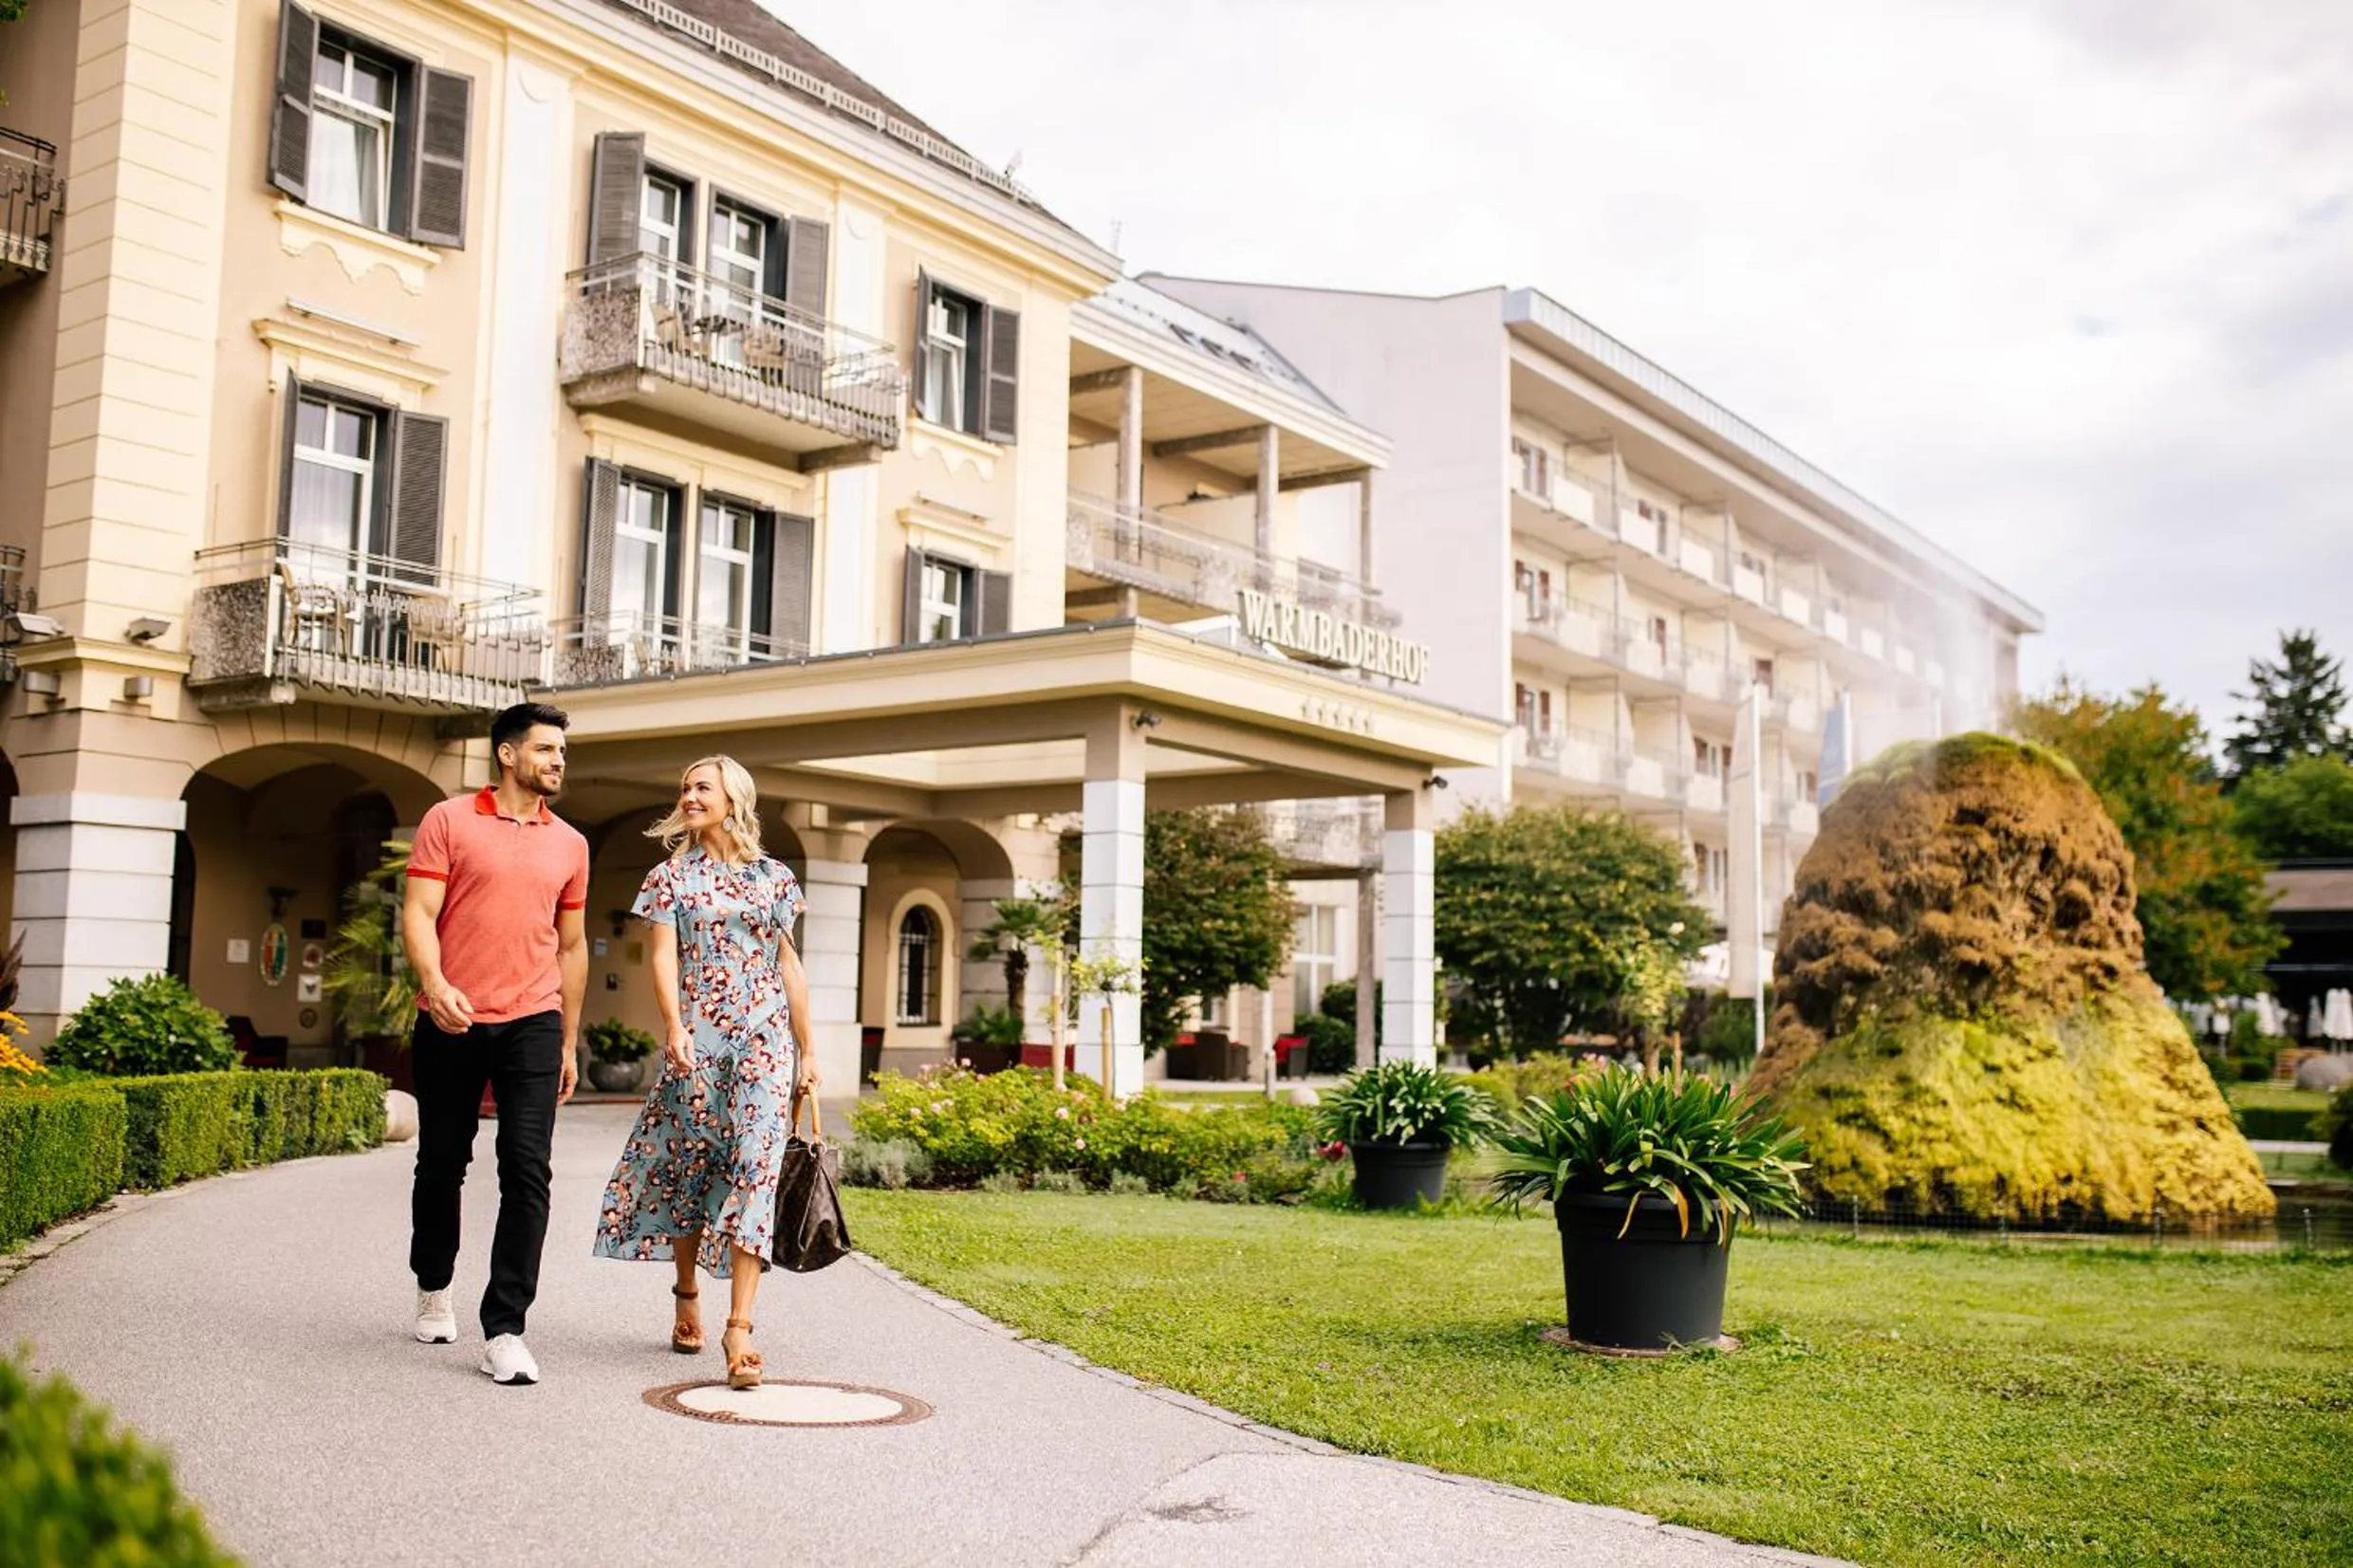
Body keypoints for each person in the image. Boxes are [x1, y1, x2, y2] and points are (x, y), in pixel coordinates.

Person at [594, 756, 818, 1390]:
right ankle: (687, 1290)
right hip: (702, 1041)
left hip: (766, 1043)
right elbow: (662, 959)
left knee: (754, 1169)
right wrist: (674, 1026)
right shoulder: (669, 877)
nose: (689, 796)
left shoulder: (773, 878)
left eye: (701, 787)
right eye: (685, 788)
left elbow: (789, 967)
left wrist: (810, 1051)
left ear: (731, 799)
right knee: (693, 1168)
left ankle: (740, 1327)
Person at [404, 702, 590, 1386]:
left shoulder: (571, 843)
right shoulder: (448, 821)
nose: (557, 761)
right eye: (546, 749)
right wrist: (435, 980)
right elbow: (420, 913)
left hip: (534, 1017)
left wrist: (568, 1039)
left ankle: (506, 1326)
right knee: (443, 1159)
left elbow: (570, 946)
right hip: (452, 1015)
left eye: (562, 752)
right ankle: (433, 1281)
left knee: (527, 1167)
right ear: (508, 754)